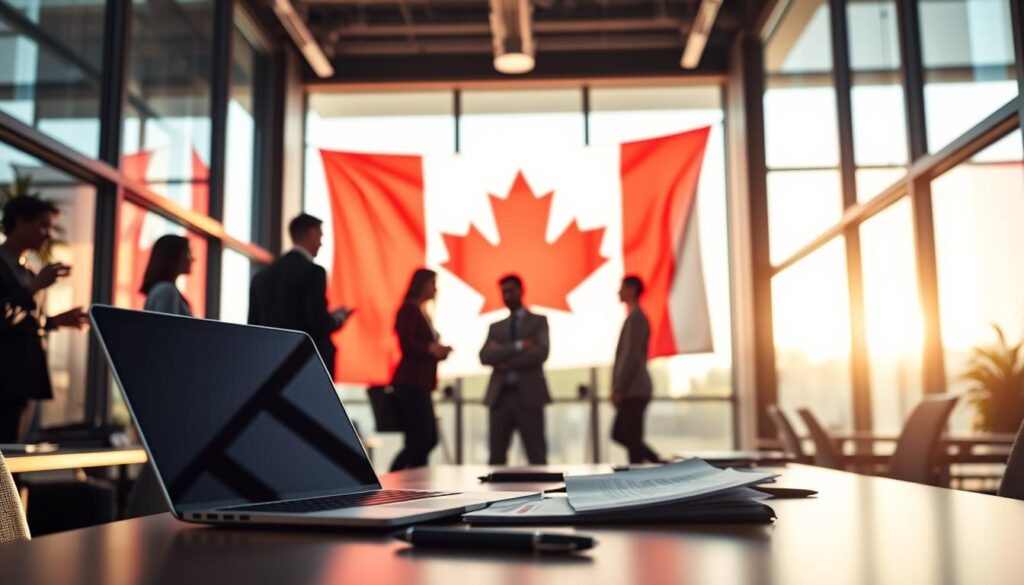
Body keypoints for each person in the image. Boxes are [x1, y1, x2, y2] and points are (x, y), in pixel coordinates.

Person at [0, 196, 87, 443]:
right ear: (19, 221)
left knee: (17, 457)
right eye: (43, 225)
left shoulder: (26, 271)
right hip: (6, 383)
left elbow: (20, 323)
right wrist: (33, 288)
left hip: (23, 384)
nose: (48, 234)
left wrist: (54, 322)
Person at [248, 214, 352, 377]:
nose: (321, 243)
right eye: (320, 236)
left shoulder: (261, 276)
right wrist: (338, 319)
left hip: (270, 367)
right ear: (311, 234)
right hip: (306, 367)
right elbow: (316, 323)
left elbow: (253, 328)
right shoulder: (314, 272)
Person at [479, 274, 551, 465]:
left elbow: (541, 353)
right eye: (503, 292)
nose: (507, 296)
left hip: (529, 396)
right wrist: (518, 346)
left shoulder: (538, 321)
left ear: (521, 290)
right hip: (500, 397)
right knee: (496, 456)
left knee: (536, 454)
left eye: (510, 291)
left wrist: (503, 359)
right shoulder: (496, 327)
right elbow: (485, 356)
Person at [389, 268, 452, 471]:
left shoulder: (422, 311)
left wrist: (436, 350)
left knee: (420, 438)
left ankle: (414, 479)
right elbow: (406, 344)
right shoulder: (408, 309)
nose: (436, 288)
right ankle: (393, 476)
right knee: (423, 438)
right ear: (422, 285)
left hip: (420, 383)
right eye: (432, 283)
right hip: (410, 383)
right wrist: (431, 348)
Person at [610, 275, 662, 464]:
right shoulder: (634, 317)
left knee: (630, 438)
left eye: (622, 287)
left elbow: (630, 357)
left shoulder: (637, 318)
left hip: (634, 390)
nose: (618, 291)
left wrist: (619, 388)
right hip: (632, 389)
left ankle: (658, 464)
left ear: (631, 289)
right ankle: (658, 463)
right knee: (625, 436)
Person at [141, 235, 194, 317]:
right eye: (188, 253)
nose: (193, 258)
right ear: (174, 256)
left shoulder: (164, 289)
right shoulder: (166, 290)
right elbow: (168, 329)